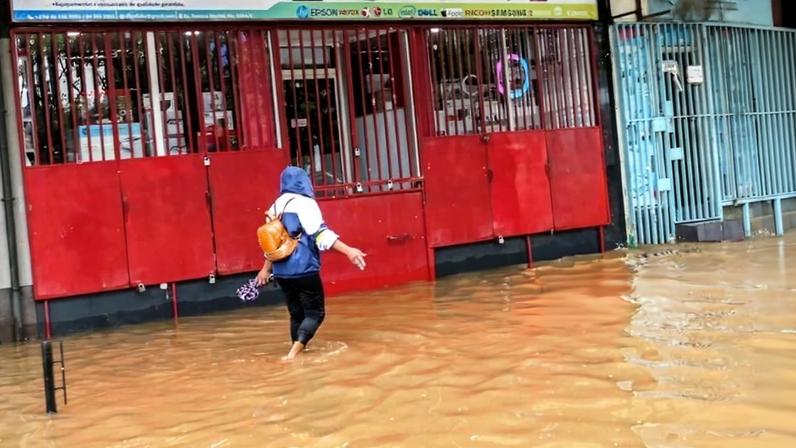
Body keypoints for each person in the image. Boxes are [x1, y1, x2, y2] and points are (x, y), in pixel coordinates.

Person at [256, 166, 366, 360]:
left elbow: (271, 244)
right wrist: (348, 250)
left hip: (281, 271)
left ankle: (300, 352)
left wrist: (265, 270)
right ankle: (292, 355)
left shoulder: (275, 206)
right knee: (316, 313)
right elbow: (320, 234)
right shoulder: (306, 204)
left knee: (296, 314)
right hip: (303, 268)